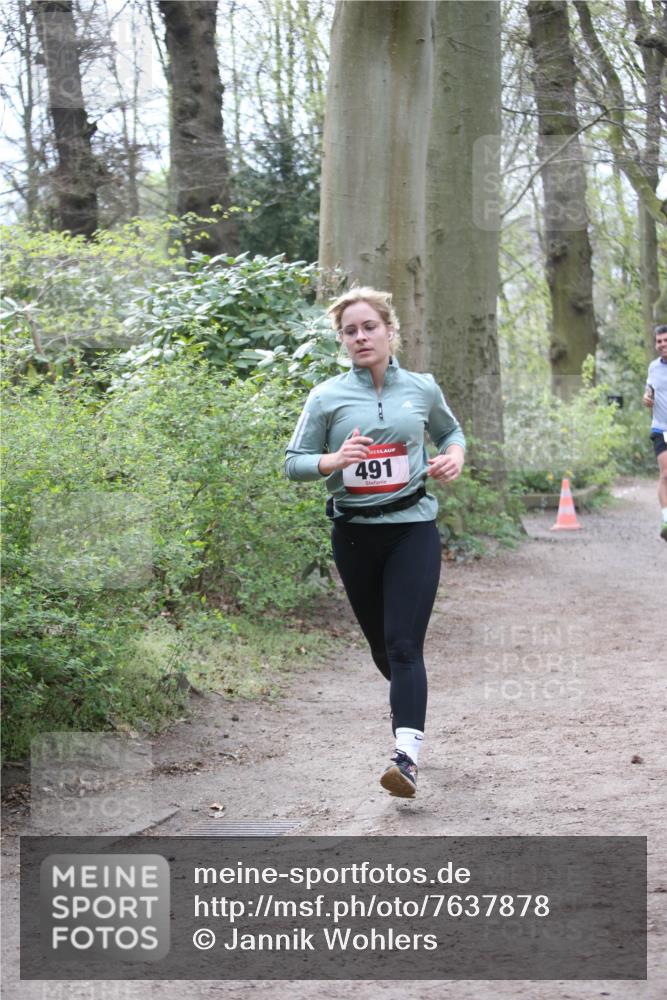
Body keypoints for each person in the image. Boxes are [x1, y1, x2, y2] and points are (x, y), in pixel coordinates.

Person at [285, 287, 465, 798]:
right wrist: (333, 461)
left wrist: (453, 457)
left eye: (369, 327)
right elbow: (293, 462)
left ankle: (405, 757)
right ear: (341, 340)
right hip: (354, 535)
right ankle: (411, 711)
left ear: (390, 331)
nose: (361, 337)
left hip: (412, 528)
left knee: (405, 645)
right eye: (350, 331)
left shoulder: (422, 389)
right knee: (384, 650)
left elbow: (451, 434)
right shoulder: (326, 397)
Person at [642, 323, 667, 542]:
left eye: (666, 340)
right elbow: (648, 391)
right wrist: (647, 398)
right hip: (661, 428)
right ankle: (666, 520)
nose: (662, 344)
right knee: (666, 474)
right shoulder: (653, 367)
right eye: (659, 341)